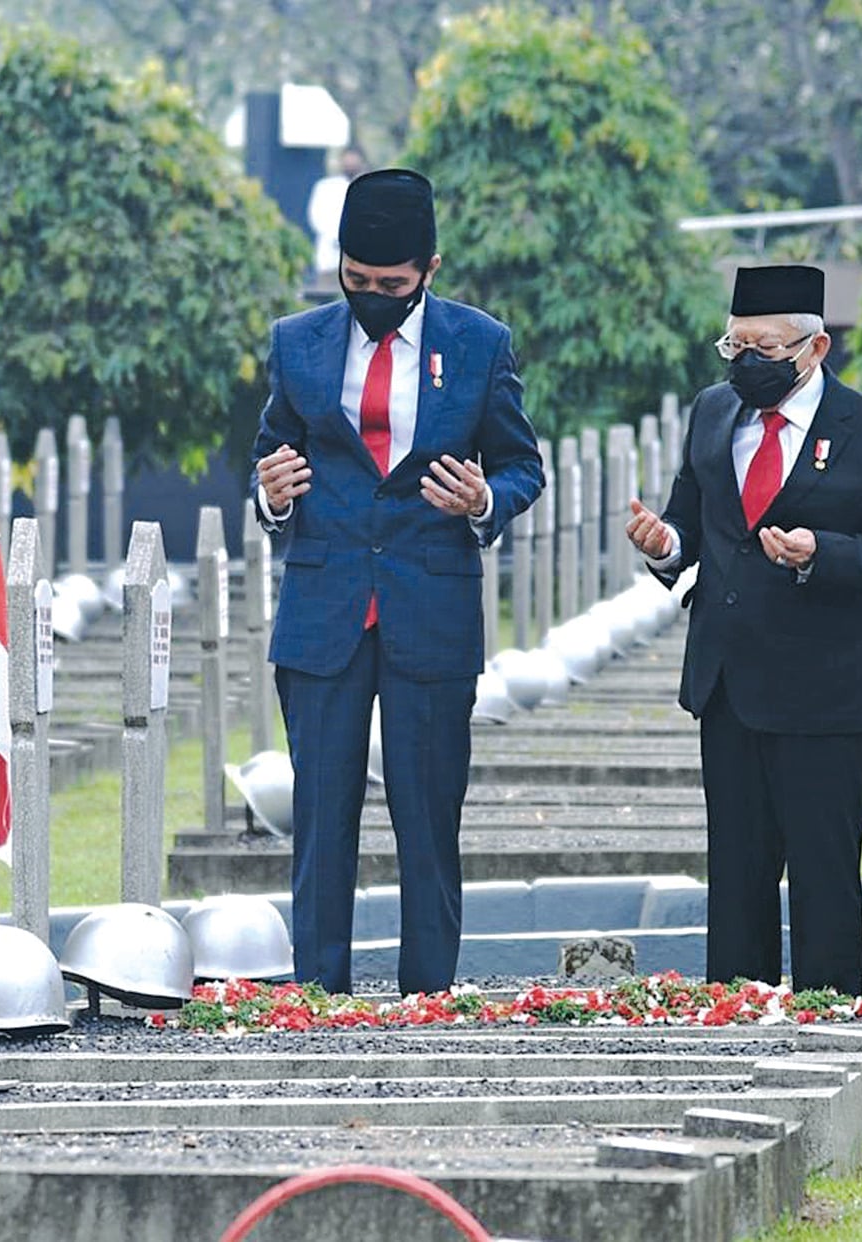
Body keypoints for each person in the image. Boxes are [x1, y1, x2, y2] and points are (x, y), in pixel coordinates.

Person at [252, 168, 544, 996]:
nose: (373, 295)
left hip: (431, 607)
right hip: (324, 610)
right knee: (320, 822)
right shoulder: (296, 342)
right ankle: (316, 998)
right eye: (357, 281)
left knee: (427, 821)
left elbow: (524, 464)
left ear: (430, 269)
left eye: (393, 284)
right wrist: (271, 496)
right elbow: (271, 453)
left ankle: (428, 997)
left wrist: (487, 498)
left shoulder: (480, 345)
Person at [625, 264, 862, 997]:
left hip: (826, 688)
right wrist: (663, 545)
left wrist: (824, 553)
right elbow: (691, 522)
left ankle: (827, 1025)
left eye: (765, 351)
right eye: (735, 349)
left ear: (814, 349)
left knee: (823, 874)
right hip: (728, 679)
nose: (747, 365)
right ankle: (733, 1016)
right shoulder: (712, 412)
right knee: (736, 871)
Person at [306, 148, 368, 275]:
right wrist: (336, 237)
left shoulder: (369, 186)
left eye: (354, 161)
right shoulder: (325, 186)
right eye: (347, 160)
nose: (350, 164)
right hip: (329, 251)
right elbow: (316, 216)